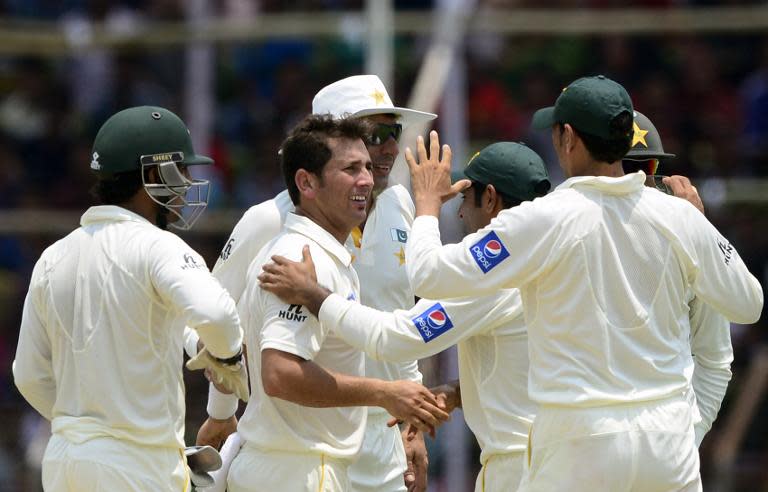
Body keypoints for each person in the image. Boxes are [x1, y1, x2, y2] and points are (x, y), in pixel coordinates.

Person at [402, 76, 763, 491]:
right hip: (668, 442)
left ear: (567, 137)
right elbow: (748, 304)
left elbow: (427, 272)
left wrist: (427, 206)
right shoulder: (680, 218)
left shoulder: (543, 217)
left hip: (579, 442)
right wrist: (700, 228)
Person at [258, 141, 550, 492]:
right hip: (555, 456)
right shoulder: (555, 256)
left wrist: (314, 294)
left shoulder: (491, 276)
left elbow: (393, 338)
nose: (458, 214)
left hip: (521, 469)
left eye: (463, 198)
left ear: (489, 199)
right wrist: (458, 393)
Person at [196, 74, 437, 492]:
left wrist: (412, 423)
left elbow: (402, 316)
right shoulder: (270, 221)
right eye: (374, 133)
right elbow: (215, 322)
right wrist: (221, 410)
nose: (389, 149)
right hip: (301, 447)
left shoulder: (399, 204)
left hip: (381, 445)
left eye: (392, 132)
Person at [12, 106, 246, 491]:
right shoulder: (158, 246)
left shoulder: (53, 257)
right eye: (181, 170)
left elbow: (28, 375)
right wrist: (228, 357)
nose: (187, 183)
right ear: (153, 175)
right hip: (137, 466)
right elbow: (217, 315)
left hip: (65, 461)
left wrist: (89, 431)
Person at [625, 110, 734, 447]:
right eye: (624, 168)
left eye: (643, 170)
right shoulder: (571, 231)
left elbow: (715, 358)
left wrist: (689, 437)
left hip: (663, 446)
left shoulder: (685, 244)